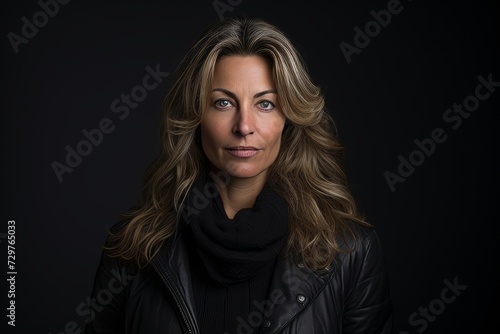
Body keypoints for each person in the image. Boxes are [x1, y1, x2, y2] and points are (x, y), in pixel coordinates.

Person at [84, 16, 393, 334]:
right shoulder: (134, 247)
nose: (244, 126)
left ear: (289, 117)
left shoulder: (350, 252)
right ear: (195, 115)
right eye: (223, 102)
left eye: (265, 104)